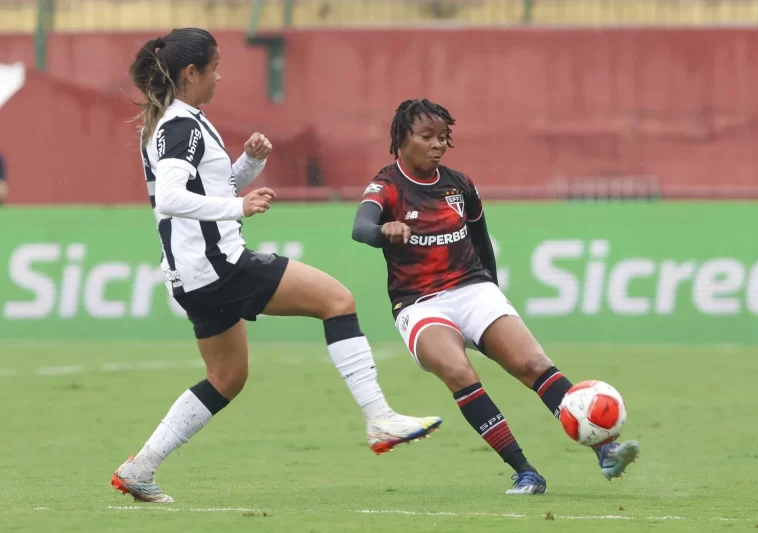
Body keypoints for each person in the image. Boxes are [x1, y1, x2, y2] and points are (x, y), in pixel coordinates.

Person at [110, 29, 442, 504]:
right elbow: (170, 197)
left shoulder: (178, 122)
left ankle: (141, 468)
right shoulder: (180, 126)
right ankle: (380, 417)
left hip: (191, 275)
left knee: (227, 377)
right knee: (337, 300)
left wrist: (247, 165)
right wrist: (239, 208)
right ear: (190, 73)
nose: (220, 76)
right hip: (218, 265)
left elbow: (206, 189)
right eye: (215, 67)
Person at [351, 99, 640, 495]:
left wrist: (493, 294)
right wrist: (384, 231)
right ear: (402, 139)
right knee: (460, 373)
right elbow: (361, 228)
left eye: (443, 137)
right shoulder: (387, 186)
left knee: (532, 362)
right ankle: (525, 471)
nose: (437, 145)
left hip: (473, 289)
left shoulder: (459, 184)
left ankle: (606, 451)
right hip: (419, 303)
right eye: (427, 137)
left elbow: (481, 241)